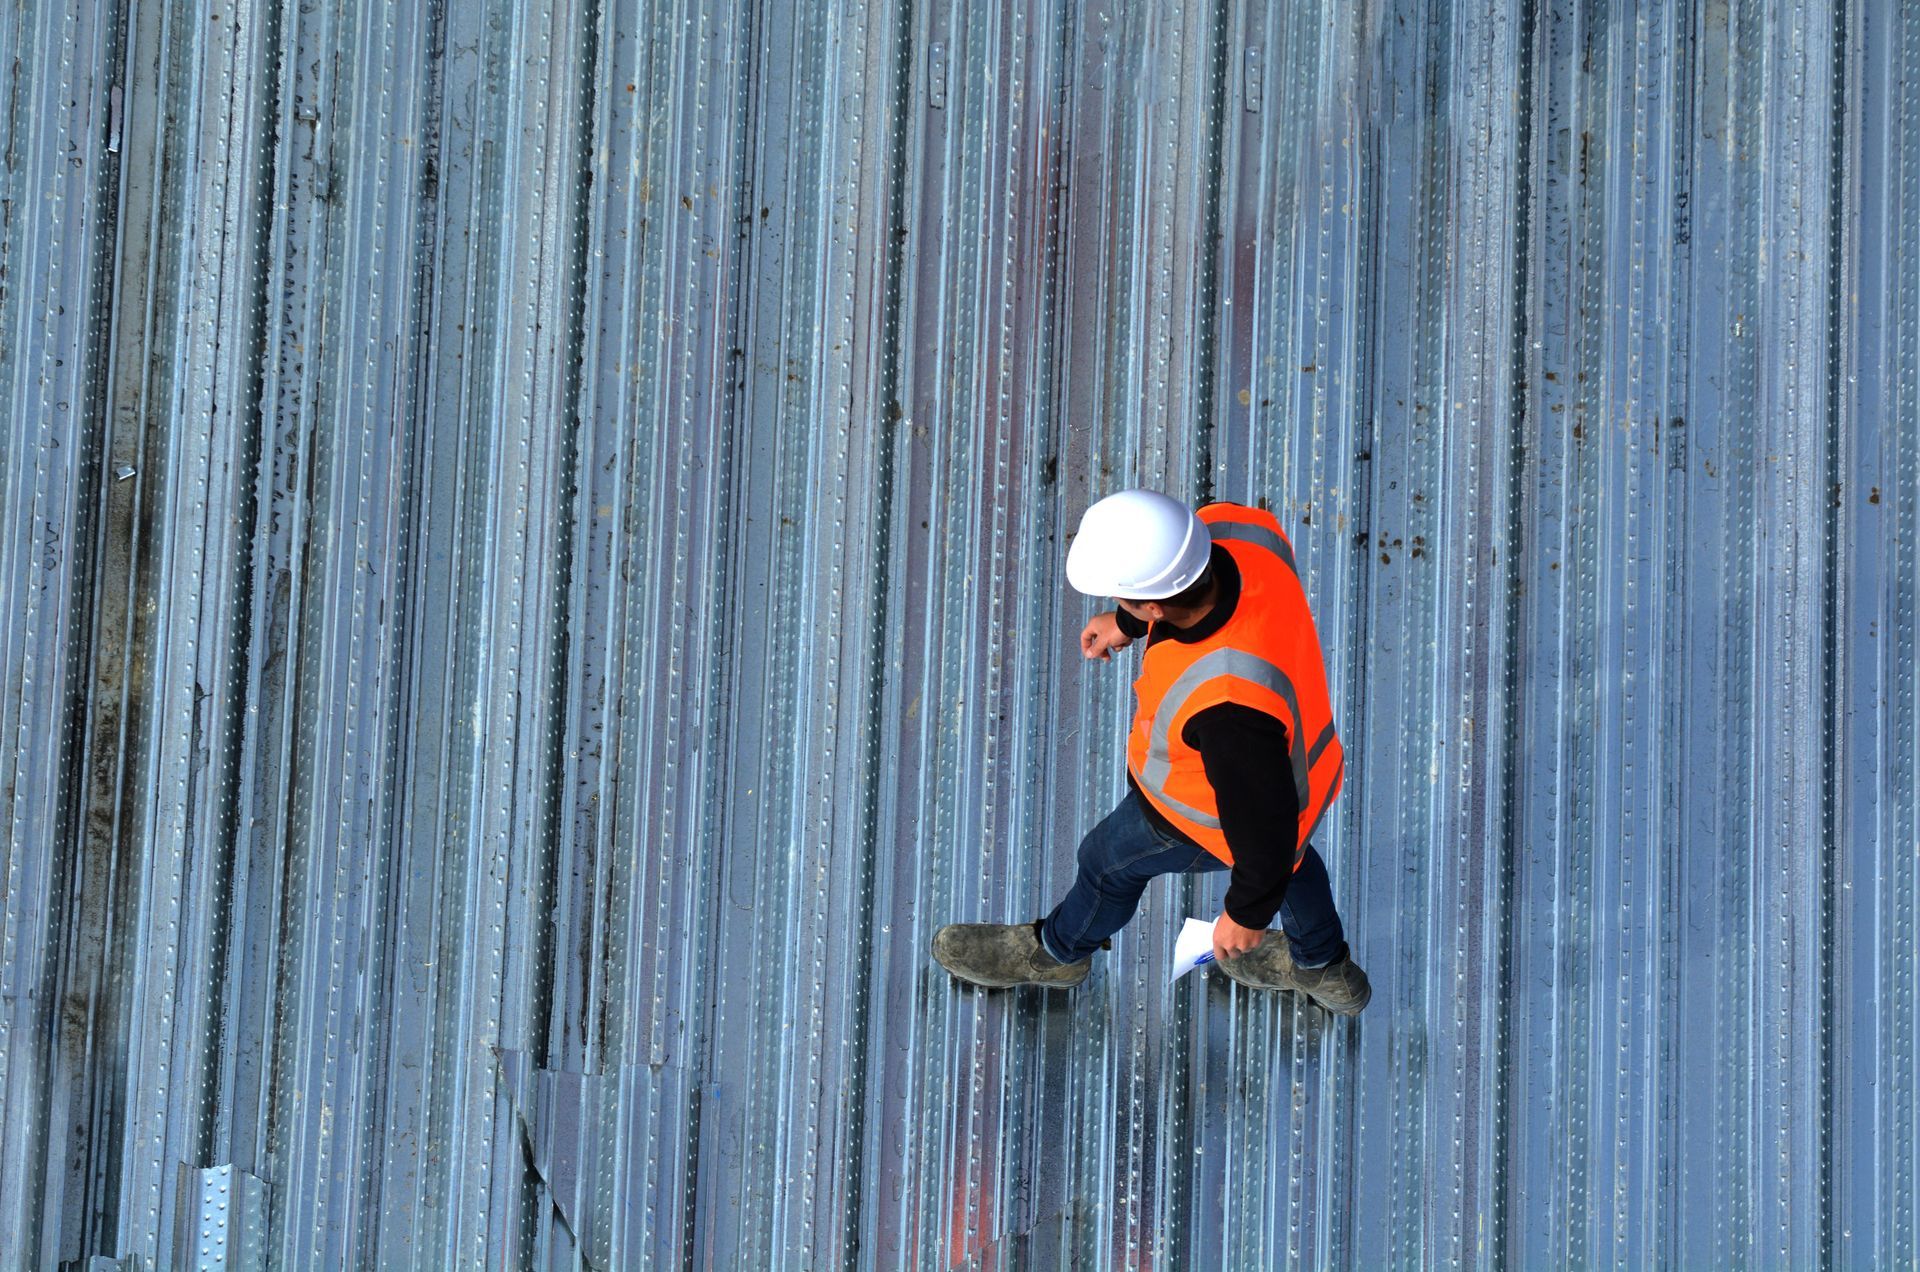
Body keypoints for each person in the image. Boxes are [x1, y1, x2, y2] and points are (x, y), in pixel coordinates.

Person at [931, 489, 1370, 1014]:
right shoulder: (1239, 529)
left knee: (1106, 863)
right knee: (1293, 859)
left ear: (1158, 604)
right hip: (1306, 765)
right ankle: (1324, 968)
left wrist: (1248, 915)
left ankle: (1057, 953)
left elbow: (1265, 828)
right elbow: (1189, 579)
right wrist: (1128, 623)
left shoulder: (1227, 707)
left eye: (1126, 600)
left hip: (1196, 811)